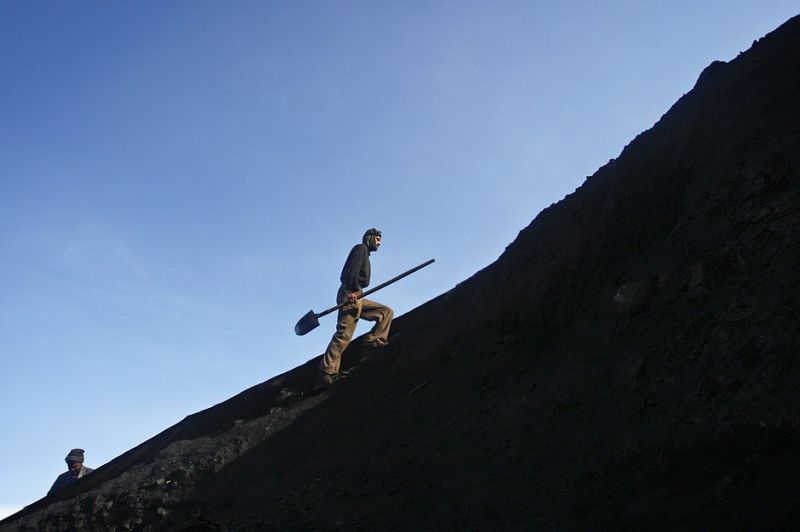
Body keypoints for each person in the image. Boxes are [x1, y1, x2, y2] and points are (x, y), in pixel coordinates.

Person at [317, 228, 394, 385]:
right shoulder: (361, 249)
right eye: (378, 239)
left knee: (385, 312)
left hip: (359, 294)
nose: (379, 243)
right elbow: (349, 272)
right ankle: (326, 372)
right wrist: (352, 289)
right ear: (369, 238)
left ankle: (373, 343)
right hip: (350, 292)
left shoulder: (365, 253)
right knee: (344, 333)